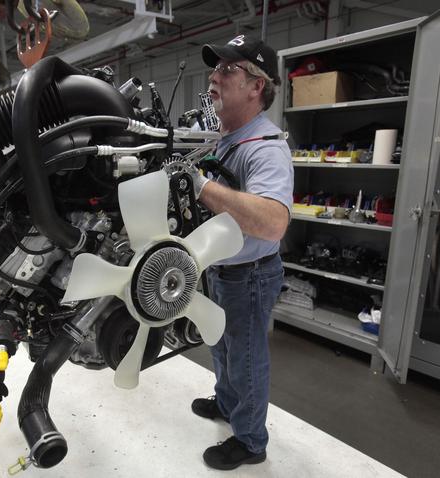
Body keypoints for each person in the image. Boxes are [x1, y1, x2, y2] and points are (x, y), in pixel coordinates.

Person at [188, 35, 294, 470]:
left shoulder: (265, 147)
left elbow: (272, 221)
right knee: (221, 345)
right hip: (220, 268)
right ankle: (227, 404)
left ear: (256, 86)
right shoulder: (224, 136)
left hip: (249, 274)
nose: (214, 77)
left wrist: (204, 188)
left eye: (228, 70)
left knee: (246, 357)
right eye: (215, 69)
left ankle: (251, 441)